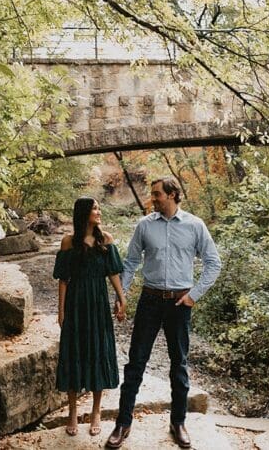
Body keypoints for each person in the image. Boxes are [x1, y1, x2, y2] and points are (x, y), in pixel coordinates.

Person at [107, 177, 222, 449]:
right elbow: (131, 263)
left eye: (157, 194)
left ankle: (178, 422)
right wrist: (121, 297)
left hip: (179, 303)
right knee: (136, 362)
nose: (153, 199)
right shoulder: (144, 225)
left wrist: (194, 296)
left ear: (172, 195)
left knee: (179, 364)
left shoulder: (195, 225)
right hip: (149, 300)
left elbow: (213, 263)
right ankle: (123, 423)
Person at [53, 197, 127, 436]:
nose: (99, 211)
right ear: (84, 213)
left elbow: (113, 273)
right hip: (75, 304)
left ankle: (96, 411)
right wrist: (61, 310)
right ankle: (73, 412)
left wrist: (122, 298)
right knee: (74, 351)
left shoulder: (105, 240)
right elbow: (63, 280)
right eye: (95, 208)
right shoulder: (68, 242)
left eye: (98, 208)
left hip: (98, 305)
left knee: (98, 351)